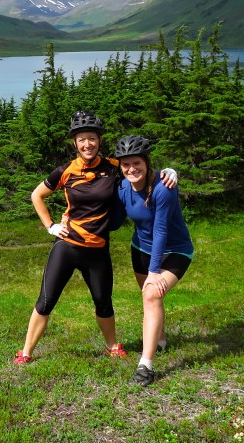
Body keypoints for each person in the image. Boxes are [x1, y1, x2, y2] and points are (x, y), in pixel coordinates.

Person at [14, 111, 176, 365]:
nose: (87, 144)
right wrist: (51, 226)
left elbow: (140, 172)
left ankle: (112, 346)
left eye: (92, 138)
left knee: (103, 302)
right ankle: (25, 353)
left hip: (98, 249)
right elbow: (37, 195)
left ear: (99, 141)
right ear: (74, 144)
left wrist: (169, 171)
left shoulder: (114, 168)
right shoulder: (66, 170)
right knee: (46, 301)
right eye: (81, 139)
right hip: (67, 246)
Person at [112, 135, 194, 387]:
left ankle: (145, 366)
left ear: (147, 162)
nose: (131, 169)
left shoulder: (164, 187)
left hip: (175, 250)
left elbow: (161, 231)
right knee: (151, 297)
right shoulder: (123, 187)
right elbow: (114, 220)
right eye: (125, 164)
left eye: (136, 163)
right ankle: (161, 338)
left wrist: (154, 270)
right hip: (140, 248)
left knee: (151, 294)